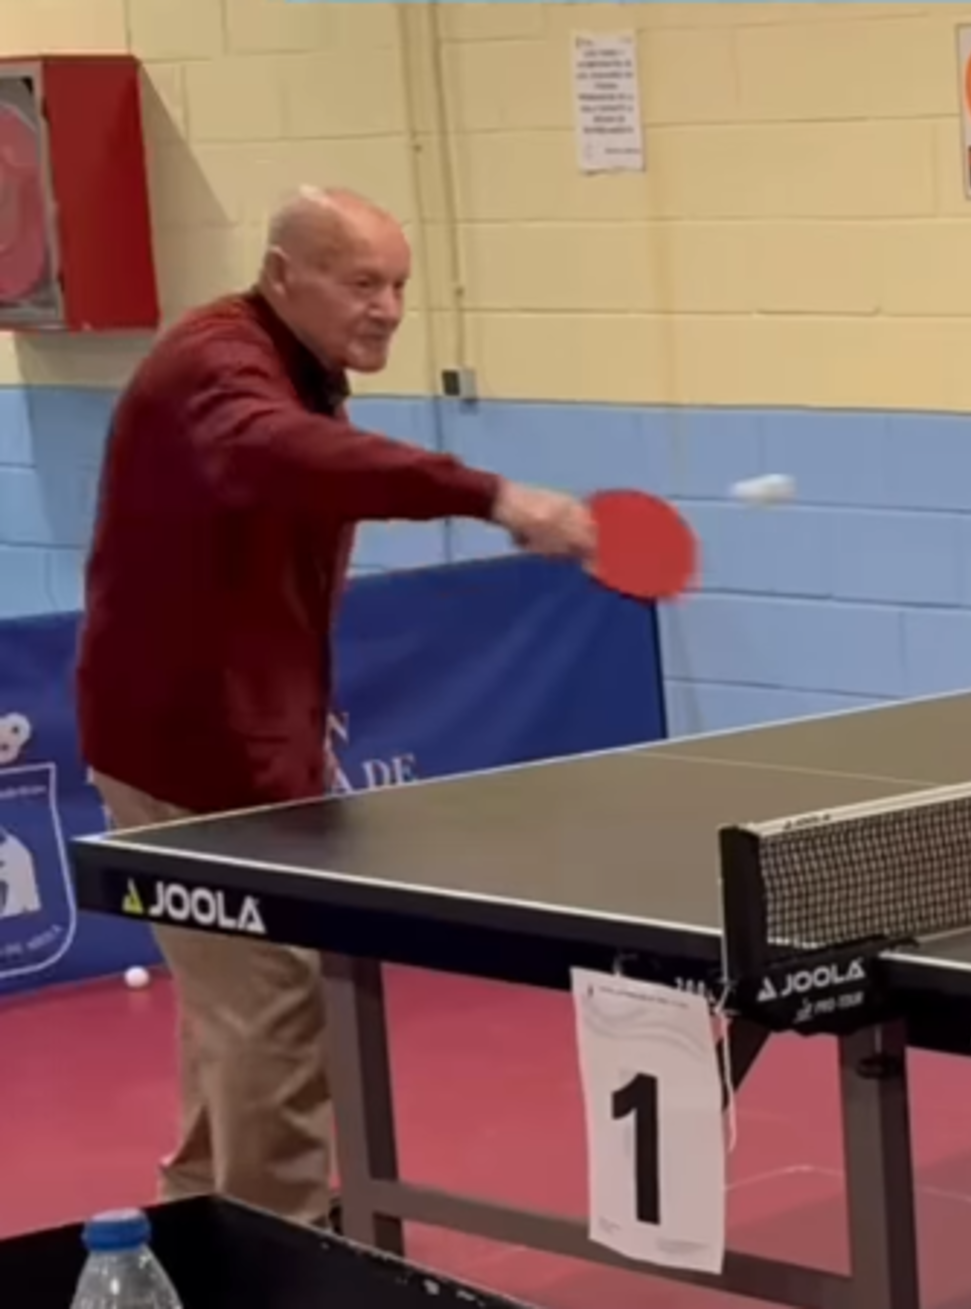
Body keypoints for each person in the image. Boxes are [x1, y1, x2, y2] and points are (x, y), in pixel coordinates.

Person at [75, 185, 595, 1229]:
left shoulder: (299, 370)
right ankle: (280, 1262)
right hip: (185, 755)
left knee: (237, 1017)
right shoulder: (219, 373)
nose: (389, 307)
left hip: (247, 747)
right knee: (272, 1013)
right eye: (362, 282)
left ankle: (196, 1238)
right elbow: (293, 458)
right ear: (281, 276)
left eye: (399, 284)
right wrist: (490, 495)